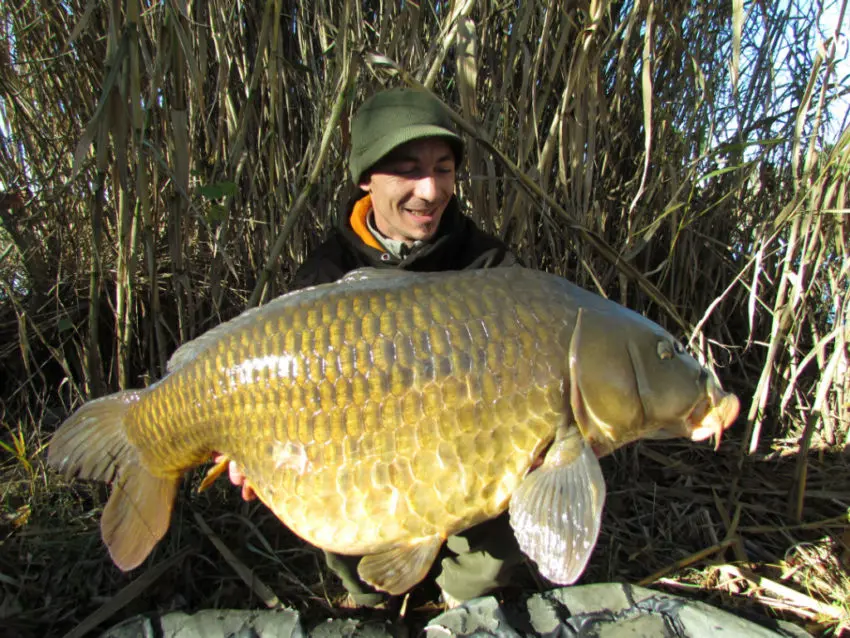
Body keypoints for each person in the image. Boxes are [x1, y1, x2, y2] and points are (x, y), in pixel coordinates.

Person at [224, 87, 528, 608]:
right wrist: (249, 443)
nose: (430, 191)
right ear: (366, 177)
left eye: (445, 168)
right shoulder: (323, 278)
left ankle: (464, 599)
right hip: (361, 463)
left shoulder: (490, 269)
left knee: (505, 507)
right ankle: (369, 600)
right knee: (323, 469)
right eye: (408, 170)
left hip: (461, 458)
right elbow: (274, 391)